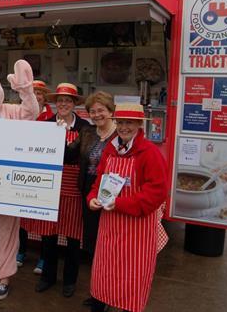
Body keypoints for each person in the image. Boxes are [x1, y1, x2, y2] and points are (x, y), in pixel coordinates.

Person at [87, 103, 169, 312]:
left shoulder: (149, 152)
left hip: (137, 229)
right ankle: (101, 303)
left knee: (132, 275)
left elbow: (157, 192)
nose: (124, 127)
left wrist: (121, 203)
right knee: (105, 271)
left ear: (139, 124)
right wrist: (93, 198)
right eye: (121, 122)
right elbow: (100, 180)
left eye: (129, 123)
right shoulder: (111, 149)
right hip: (110, 226)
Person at [35, 83, 90, 298]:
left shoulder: (85, 127)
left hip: (74, 190)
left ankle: (69, 280)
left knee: (73, 239)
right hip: (51, 188)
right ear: (54, 103)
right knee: (48, 236)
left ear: (75, 103)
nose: (63, 104)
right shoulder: (46, 124)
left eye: (68, 100)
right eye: (60, 100)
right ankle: (47, 277)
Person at [67, 91, 115, 306]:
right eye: (92, 111)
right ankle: (99, 293)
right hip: (89, 194)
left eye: (101, 110)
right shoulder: (87, 133)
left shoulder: (120, 134)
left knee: (110, 246)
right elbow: (68, 154)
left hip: (113, 197)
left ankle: (109, 294)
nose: (96, 115)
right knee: (94, 244)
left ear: (110, 111)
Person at [17, 79, 55, 274]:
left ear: (44, 96)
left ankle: (43, 257)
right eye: (33, 92)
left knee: (44, 218)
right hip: (23, 169)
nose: (36, 96)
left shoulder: (53, 117)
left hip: (44, 171)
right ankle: (21, 251)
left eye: (39, 93)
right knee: (21, 215)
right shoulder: (19, 113)